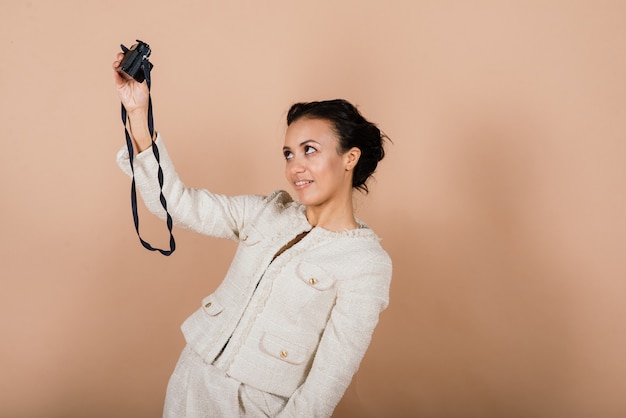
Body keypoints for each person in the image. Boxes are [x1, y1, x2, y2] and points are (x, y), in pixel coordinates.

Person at [113, 52, 392, 418]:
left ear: (349, 158)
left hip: (255, 406)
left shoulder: (366, 263)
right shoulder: (267, 211)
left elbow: (329, 378)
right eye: (289, 154)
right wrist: (137, 114)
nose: (296, 167)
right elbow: (177, 204)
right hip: (192, 380)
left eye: (310, 150)